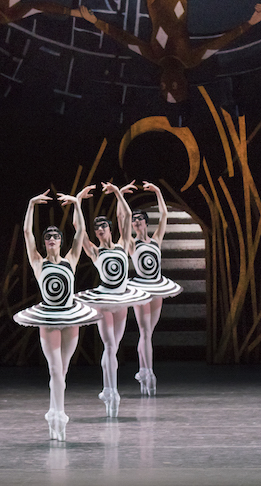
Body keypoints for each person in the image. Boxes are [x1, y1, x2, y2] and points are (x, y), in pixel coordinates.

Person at [14, 188, 100, 441]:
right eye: (48, 236)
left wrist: (76, 204)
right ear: (45, 242)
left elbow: (81, 233)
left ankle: (54, 414)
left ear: (61, 241)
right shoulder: (38, 262)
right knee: (55, 370)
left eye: (55, 235)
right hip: (48, 319)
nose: (51, 238)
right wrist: (30, 204)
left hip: (70, 317)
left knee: (62, 372)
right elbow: (27, 233)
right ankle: (59, 416)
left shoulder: (71, 259)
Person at [76, 182, 151, 417]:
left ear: (109, 229)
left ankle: (110, 390)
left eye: (102, 227)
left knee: (113, 348)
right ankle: (111, 389)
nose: (99, 230)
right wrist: (78, 202)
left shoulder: (122, 245)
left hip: (121, 300)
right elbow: (79, 231)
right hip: (104, 300)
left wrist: (117, 193)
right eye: (96, 228)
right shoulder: (95, 251)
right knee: (109, 346)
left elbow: (127, 216)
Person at [124, 182, 182, 396]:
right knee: (144, 332)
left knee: (148, 333)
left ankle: (144, 372)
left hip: (157, 287)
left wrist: (157, 191)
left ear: (146, 222)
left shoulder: (156, 240)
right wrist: (120, 195)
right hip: (141, 289)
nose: (137, 222)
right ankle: (147, 371)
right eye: (134, 220)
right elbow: (122, 220)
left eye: (140, 219)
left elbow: (164, 215)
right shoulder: (131, 244)